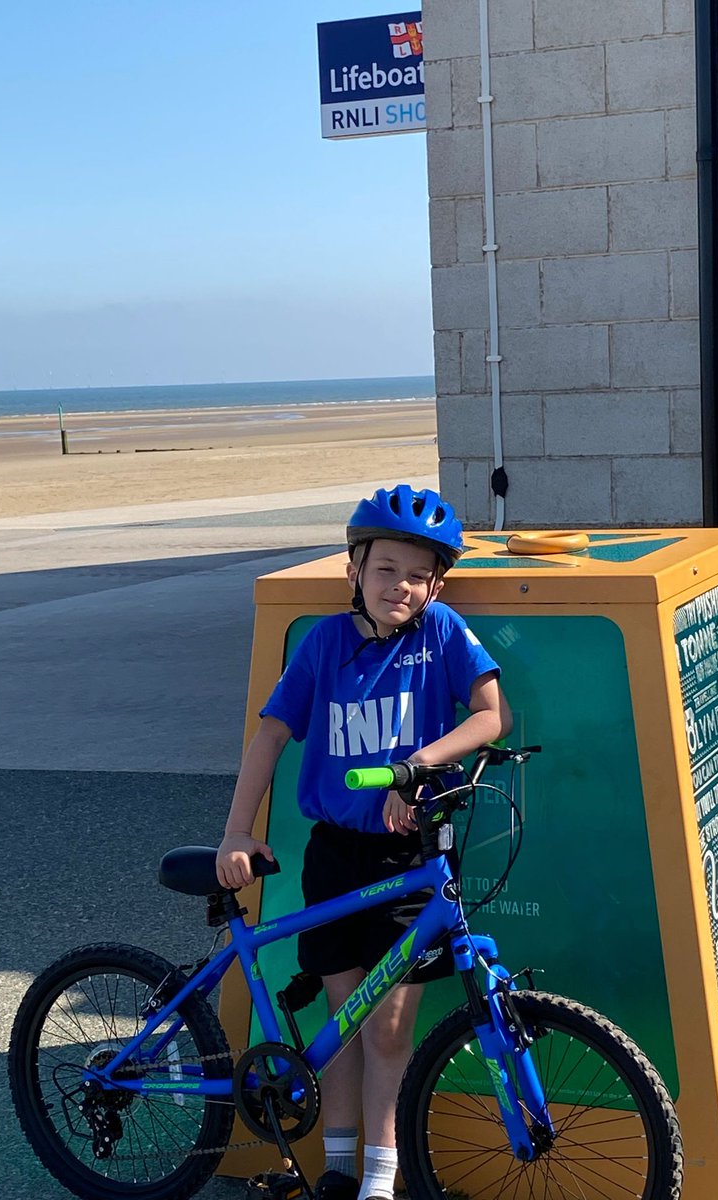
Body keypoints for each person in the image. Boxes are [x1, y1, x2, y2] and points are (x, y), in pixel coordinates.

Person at [216, 484, 511, 1200]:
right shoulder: (324, 644)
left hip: (410, 858)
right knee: (341, 1022)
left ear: (435, 582)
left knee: (389, 1028)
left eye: (417, 573)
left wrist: (417, 767)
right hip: (335, 856)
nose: (400, 586)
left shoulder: (440, 632)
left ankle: (381, 1180)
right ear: (354, 569)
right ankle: (338, 1172)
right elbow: (271, 736)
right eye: (385, 569)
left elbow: (490, 716)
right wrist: (235, 832)